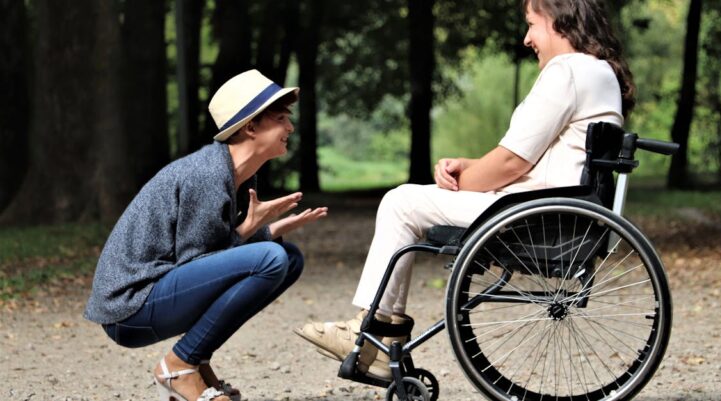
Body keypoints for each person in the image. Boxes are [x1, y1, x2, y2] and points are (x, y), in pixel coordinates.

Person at [295, 0, 635, 381]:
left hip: (536, 214)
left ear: (558, 20)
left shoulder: (567, 71)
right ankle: (376, 331)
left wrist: (462, 184)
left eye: (531, 25)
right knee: (408, 202)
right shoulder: (598, 72)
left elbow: (512, 164)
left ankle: (372, 334)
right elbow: (533, 159)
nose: (526, 39)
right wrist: (469, 167)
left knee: (401, 202)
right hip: (559, 207)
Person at [84, 69, 328, 401]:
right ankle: (179, 366)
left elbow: (213, 258)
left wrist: (268, 230)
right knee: (271, 258)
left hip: (158, 292)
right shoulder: (207, 175)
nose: (290, 128)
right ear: (250, 126)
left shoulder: (238, 176)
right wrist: (250, 230)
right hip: (130, 307)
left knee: (289, 257)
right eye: (281, 118)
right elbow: (199, 262)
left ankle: (193, 359)